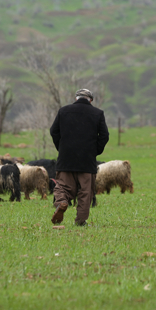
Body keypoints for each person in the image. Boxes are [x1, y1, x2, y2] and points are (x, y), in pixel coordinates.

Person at [49, 88, 109, 226]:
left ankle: (62, 202)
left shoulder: (63, 111)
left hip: (66, 158)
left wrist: (62, 148)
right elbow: (105, 136)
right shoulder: (97, 113)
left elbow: (53, 131)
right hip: (87, 160)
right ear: (91, 100)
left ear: (76, 98)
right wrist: (95, 151)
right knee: (86, 191)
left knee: (62, 186)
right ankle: (81, 221)